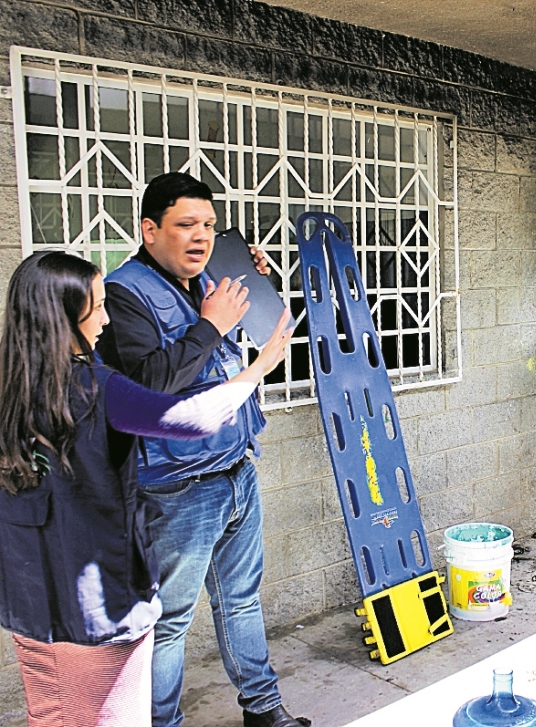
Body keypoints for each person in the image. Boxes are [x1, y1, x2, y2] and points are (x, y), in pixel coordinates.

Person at [0, 251, 291, 726]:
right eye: (95, 308)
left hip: (31, 607)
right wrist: (257, 370)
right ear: (61, 319)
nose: (106, 318)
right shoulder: (95, 387)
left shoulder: (12, 387)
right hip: (96, 606)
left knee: (53, 713)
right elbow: (190, 418)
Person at [95, 173, 307, 727]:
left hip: (236, 467)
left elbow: (269, 328)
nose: (202, 237)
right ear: (149, 229)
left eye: (209, 226)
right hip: (177, 488)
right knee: (168, 622)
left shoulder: (209, 277)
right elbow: (147, 385)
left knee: (242, 600)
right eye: (186, 225)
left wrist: (259, 282)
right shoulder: (124, 294)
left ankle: (264, 710)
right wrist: (212, 325)